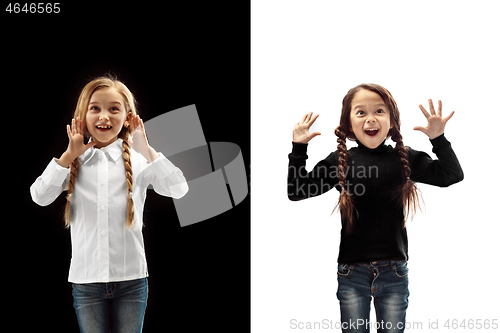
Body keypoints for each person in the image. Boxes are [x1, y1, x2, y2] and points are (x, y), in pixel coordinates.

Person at [287, 83, 463, 332]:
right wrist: (298, 149)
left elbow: (451, 175)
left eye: (379, 111)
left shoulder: (405, 159)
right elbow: (296, 191)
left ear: (391, 120)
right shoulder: (340, 162)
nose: (371, 119)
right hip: (352, 273)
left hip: (394, 273)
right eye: (361, 112)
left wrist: (438, 139)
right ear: (348, 124)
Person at [30, 75, 188, 332]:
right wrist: (68, 155)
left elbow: (179, 189)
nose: (104, 116)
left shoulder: (138, 160)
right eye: (95, 108)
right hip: (86, 280)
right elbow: (39, 196)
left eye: (114, 108)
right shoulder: (72, 163)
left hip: (132, 280)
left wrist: (147, 150)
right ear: (83, 116)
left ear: (127, 117)